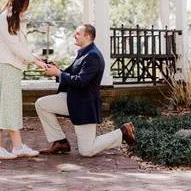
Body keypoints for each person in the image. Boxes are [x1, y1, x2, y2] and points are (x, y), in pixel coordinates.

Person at [35, 24, 136, 157]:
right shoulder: (84, 53)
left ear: (87, 36)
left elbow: (81, 81)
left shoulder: (93, 56)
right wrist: (57, 70)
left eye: (77, 33)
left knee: (87, 151)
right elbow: (72, 74)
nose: (74, 36)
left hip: (84, 106)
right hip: (72, 99)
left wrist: (59, 73)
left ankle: (123, 131)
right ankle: (60, 141)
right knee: (41, 104)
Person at [0, 0, 49, 160]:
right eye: (26, 5)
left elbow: (21, 46)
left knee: (10, 106)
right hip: (2, 68)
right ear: (22, 4)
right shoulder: (6, 18)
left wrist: (36, 59)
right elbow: (16, 47)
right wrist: (35, 61)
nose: (27, 9)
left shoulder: (12, 18)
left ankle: (17, 146)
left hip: (9, 68)